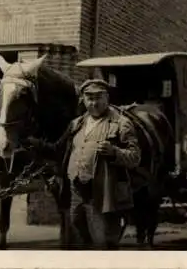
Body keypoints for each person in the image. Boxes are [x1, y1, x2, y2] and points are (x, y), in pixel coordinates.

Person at [22, 79, 141, 250]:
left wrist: (115, 152)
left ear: (107, 98)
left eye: (98, 98)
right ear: (83, 100)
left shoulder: (121, 124)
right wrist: (32, 142)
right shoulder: (76, 124)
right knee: (78, 232)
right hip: (76, 190)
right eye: (89, 98)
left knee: (102, 241)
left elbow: (135, 157)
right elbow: (58, 149)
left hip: (103, 193)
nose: (94, 103)